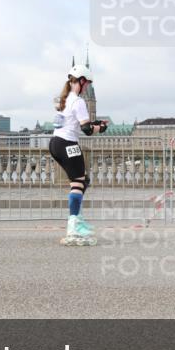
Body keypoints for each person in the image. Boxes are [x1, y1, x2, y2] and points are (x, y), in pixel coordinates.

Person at [49, 63, 107, 245]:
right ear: (81, 81)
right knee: (78, 183)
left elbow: (73, 122)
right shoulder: (78, 101)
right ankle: (74, 224)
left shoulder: (64, 100)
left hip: (56, 143)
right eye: (87, 83)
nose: (88, 86)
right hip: (68, 144)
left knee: (83, 181)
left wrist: (93, 123)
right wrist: (101, 127)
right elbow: (87, 130)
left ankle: (78, 219)